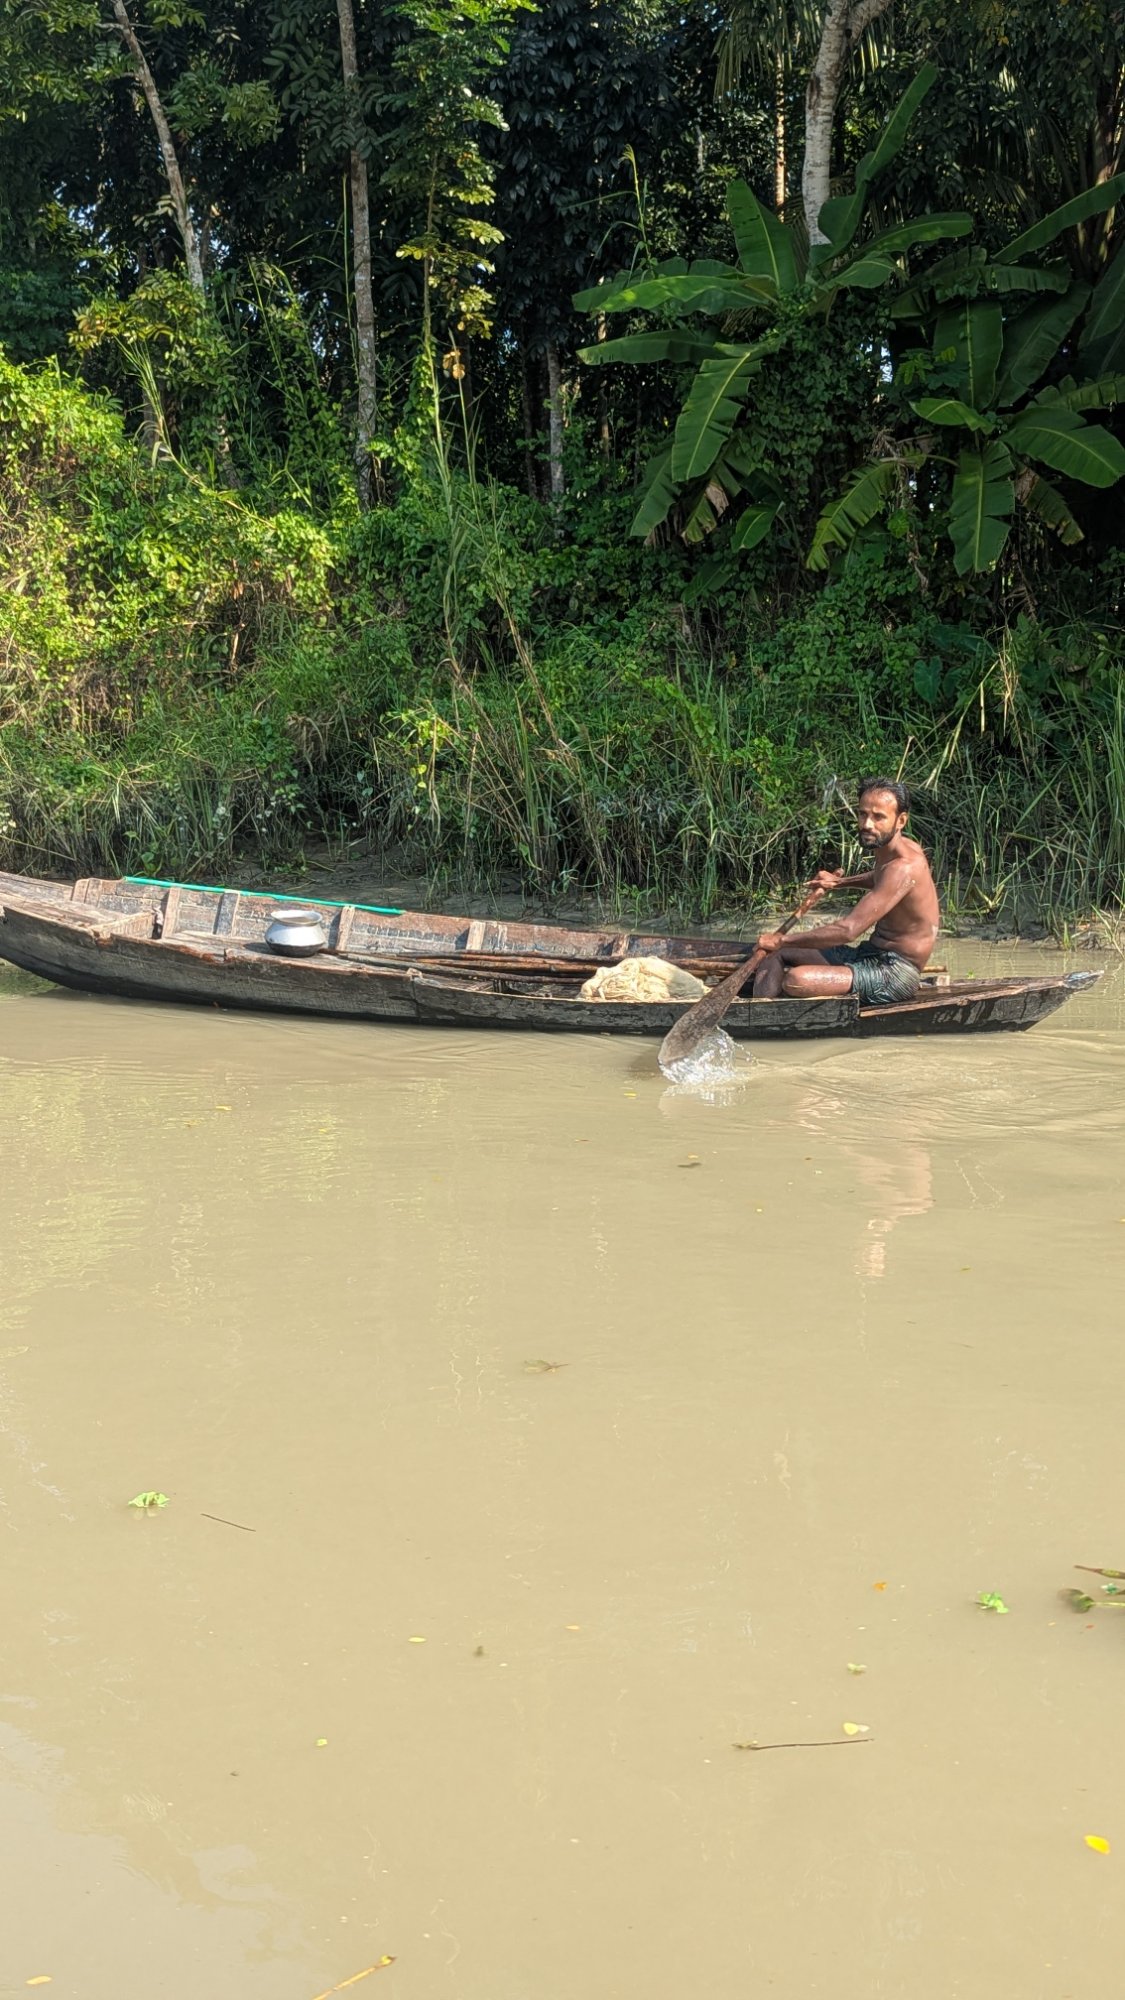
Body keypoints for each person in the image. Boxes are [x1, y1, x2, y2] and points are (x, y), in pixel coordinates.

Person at [752, 778, 939, 1005]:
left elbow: (848, 930)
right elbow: (880, 879)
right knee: (774, 955)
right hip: (867, 954)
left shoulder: (905, 866)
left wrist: (782, 940)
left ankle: (768, 1016)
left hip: (894, 973)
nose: (867, 824)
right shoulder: (895, 852)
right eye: (862, 814)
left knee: (796, 979)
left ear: (901, 820)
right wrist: (838, 883)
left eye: (878, 817)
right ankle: (759, 1012)